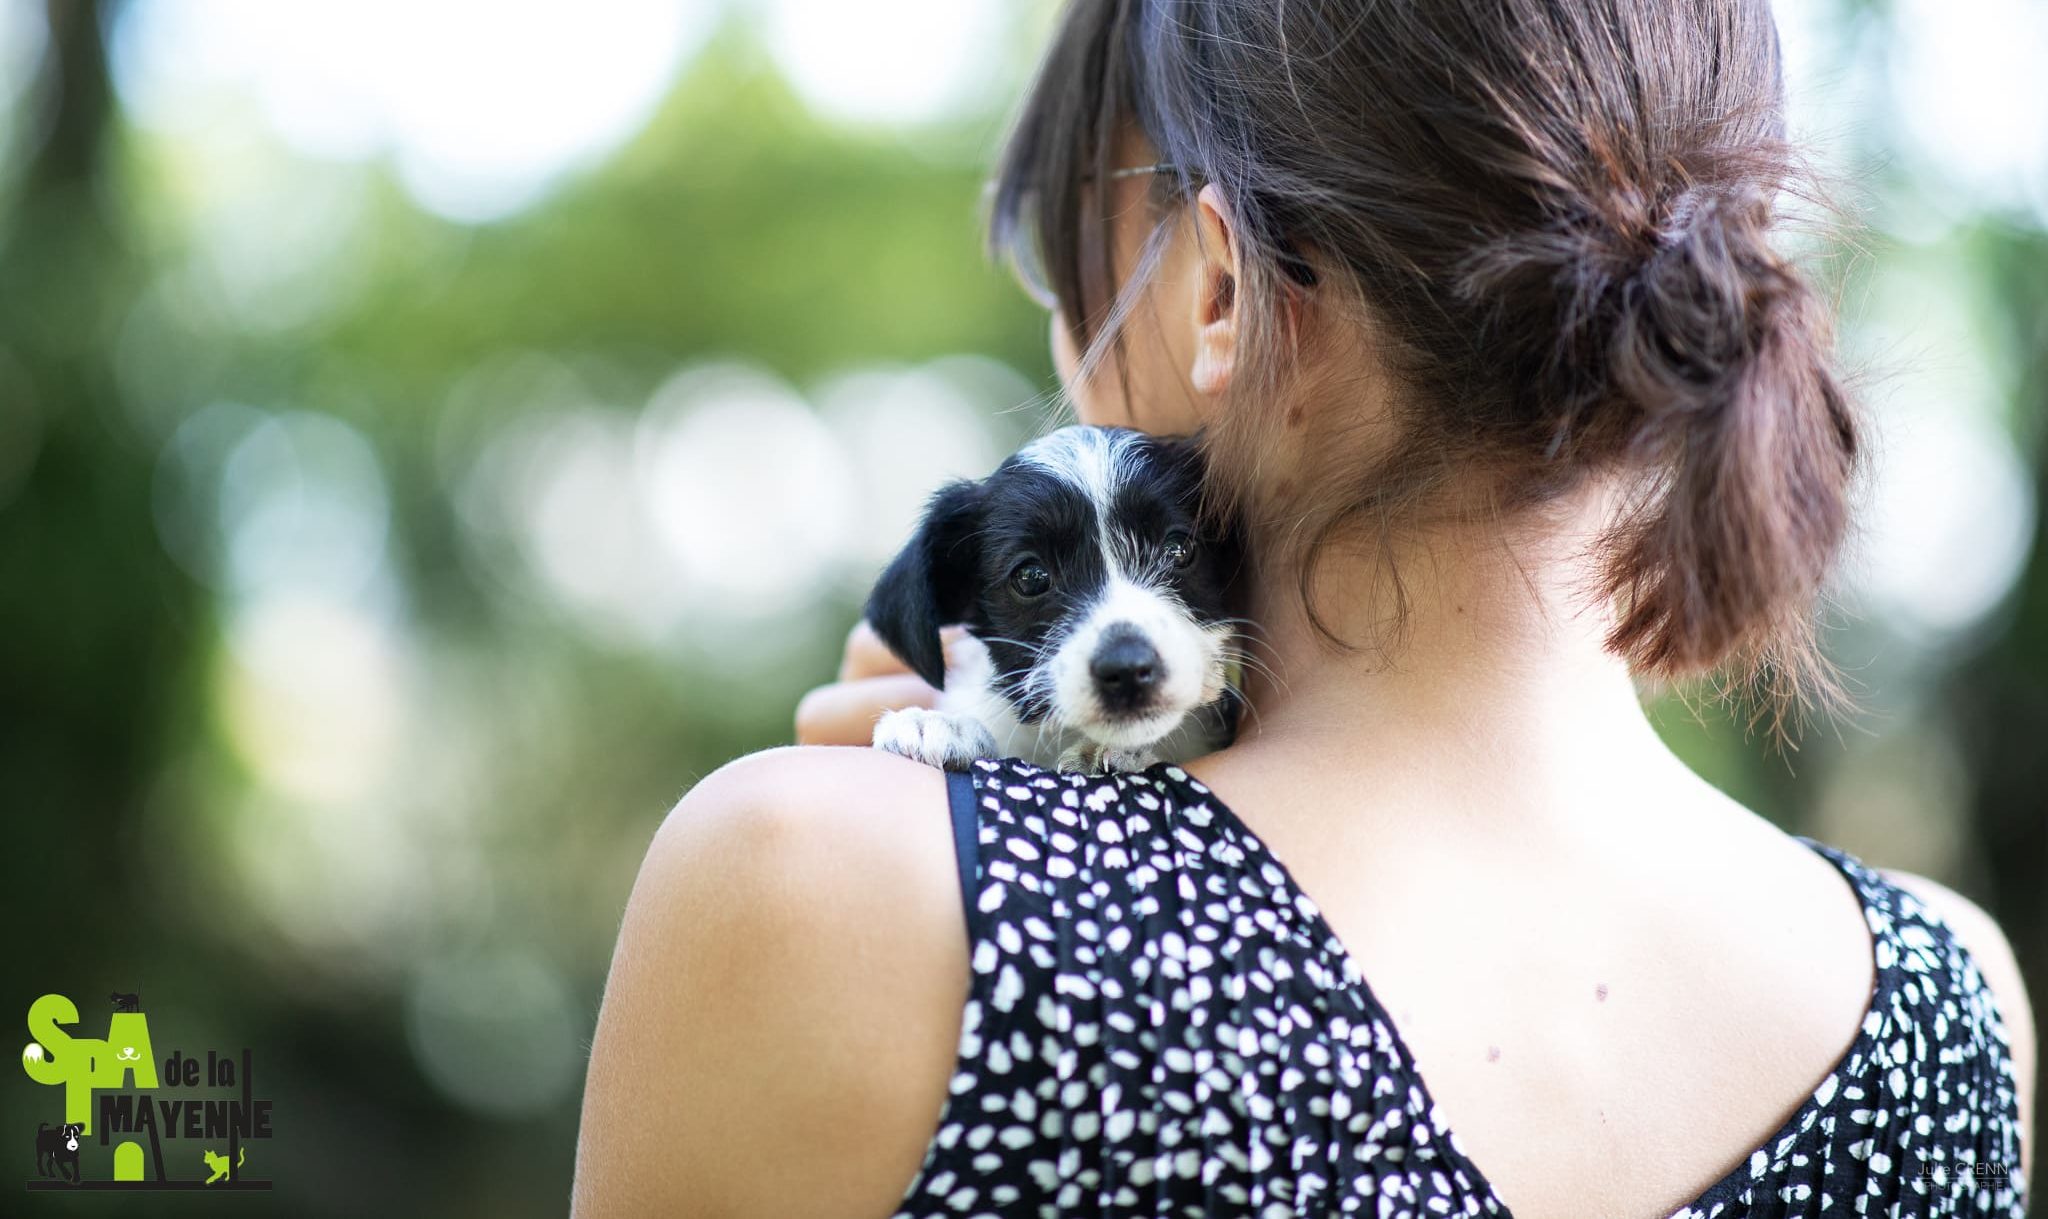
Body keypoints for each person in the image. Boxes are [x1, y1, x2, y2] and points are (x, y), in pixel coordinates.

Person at [573, 1, 2035, 1215]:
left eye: (1066, 273)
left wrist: (922, 849)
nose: (1065, 346)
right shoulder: (1951, 1001)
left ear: (1219, 286)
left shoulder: (814, 887)